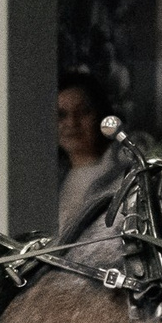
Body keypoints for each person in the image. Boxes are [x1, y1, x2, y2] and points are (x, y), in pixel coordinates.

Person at [56, 71, 128, 230]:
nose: (72, 123)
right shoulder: (52, 180)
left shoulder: (126, 174)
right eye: (61, 115)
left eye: (83, 112)